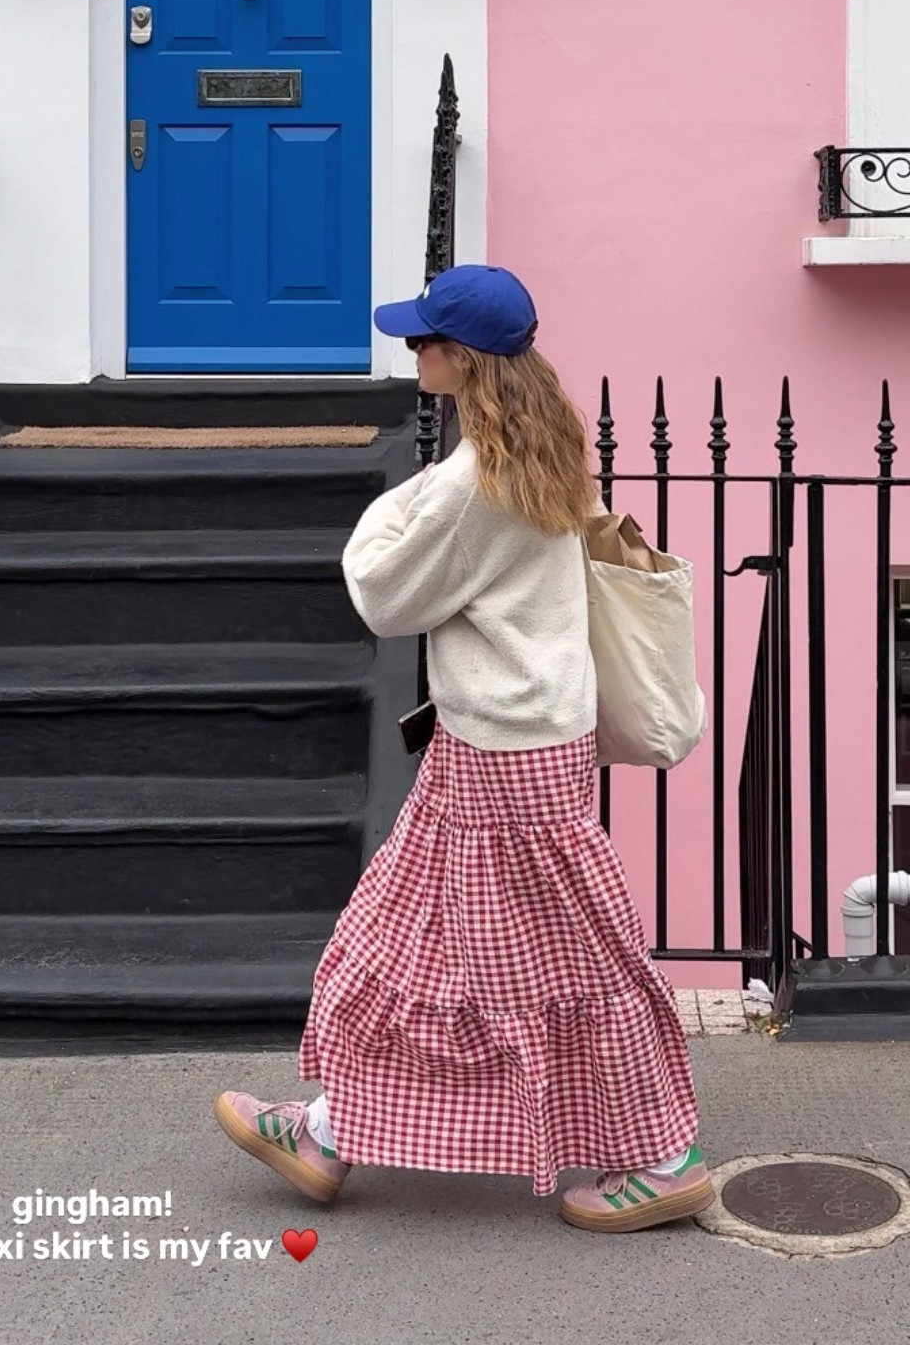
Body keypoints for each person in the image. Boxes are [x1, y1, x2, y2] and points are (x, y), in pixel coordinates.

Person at [213, 264, 712, 1232]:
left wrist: (396, 506)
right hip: (524, 735)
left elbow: (381, 586)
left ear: (461, 358)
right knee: (414, 936)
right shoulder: (543, 442)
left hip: (501, 750)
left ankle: (665, 1151)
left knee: (573, 954)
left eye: (422, 339)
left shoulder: (475, 480)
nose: (412, 351)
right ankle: (330, 1125)